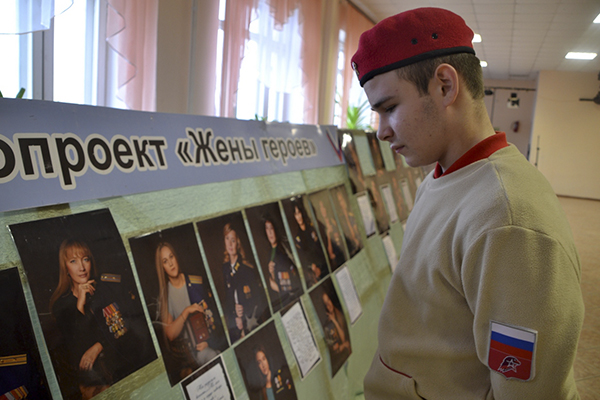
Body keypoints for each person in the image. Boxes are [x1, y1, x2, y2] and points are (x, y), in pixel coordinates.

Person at [351, 7, 584, 399]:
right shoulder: (441, 177)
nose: (381, 132)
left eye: (389, 108)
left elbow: (526, 391)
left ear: (445, 86)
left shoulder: (507, 217)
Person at [49, 239, 139, 399]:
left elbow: (127, 325)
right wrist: (80, 305)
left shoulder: (108, 288)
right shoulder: (61, 305)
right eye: (73, 261)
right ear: (65, 268)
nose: (81, 267)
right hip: (93, 382)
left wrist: (99, 346)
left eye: (85, 259)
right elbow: (77, 346)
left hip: (122, 369)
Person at [155, 242, 219, 378]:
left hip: (205, 347)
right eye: (165, 261)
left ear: (176, 257)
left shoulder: (196, 283)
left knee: (213, 357)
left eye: (171, 257)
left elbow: (215, 319)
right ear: (162, 267)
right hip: (185, 357)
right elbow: (170, 334)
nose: (171, 263)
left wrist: (209, 341)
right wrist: (186, 311)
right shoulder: (165, 296)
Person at [221, 223, 268, 342]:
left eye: (233, 240)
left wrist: (243, 315)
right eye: (227, 239)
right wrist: (234, 316)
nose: (230, 244)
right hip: (236, 328)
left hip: (250, 324)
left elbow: (259, 301)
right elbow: (228, 301)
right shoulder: (225, 269)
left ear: (238, 243)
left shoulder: (247, 269)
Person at [262, 216, 302, 311]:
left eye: (271, 228)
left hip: (291, 300)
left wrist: (276, 287)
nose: (270, 232)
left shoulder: (282, 250)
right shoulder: (270, 252)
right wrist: (271, 275)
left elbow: (290, 283)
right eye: (267, 229)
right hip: (283, 301)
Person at [288, 199, 328, 287]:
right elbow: (303, 257)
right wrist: (312, 266)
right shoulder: (298, 237)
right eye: (296, 214)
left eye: (299, 213)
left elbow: (319, 245)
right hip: (314, 271)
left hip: (324, 264)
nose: (299, 216)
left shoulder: (311, 228)